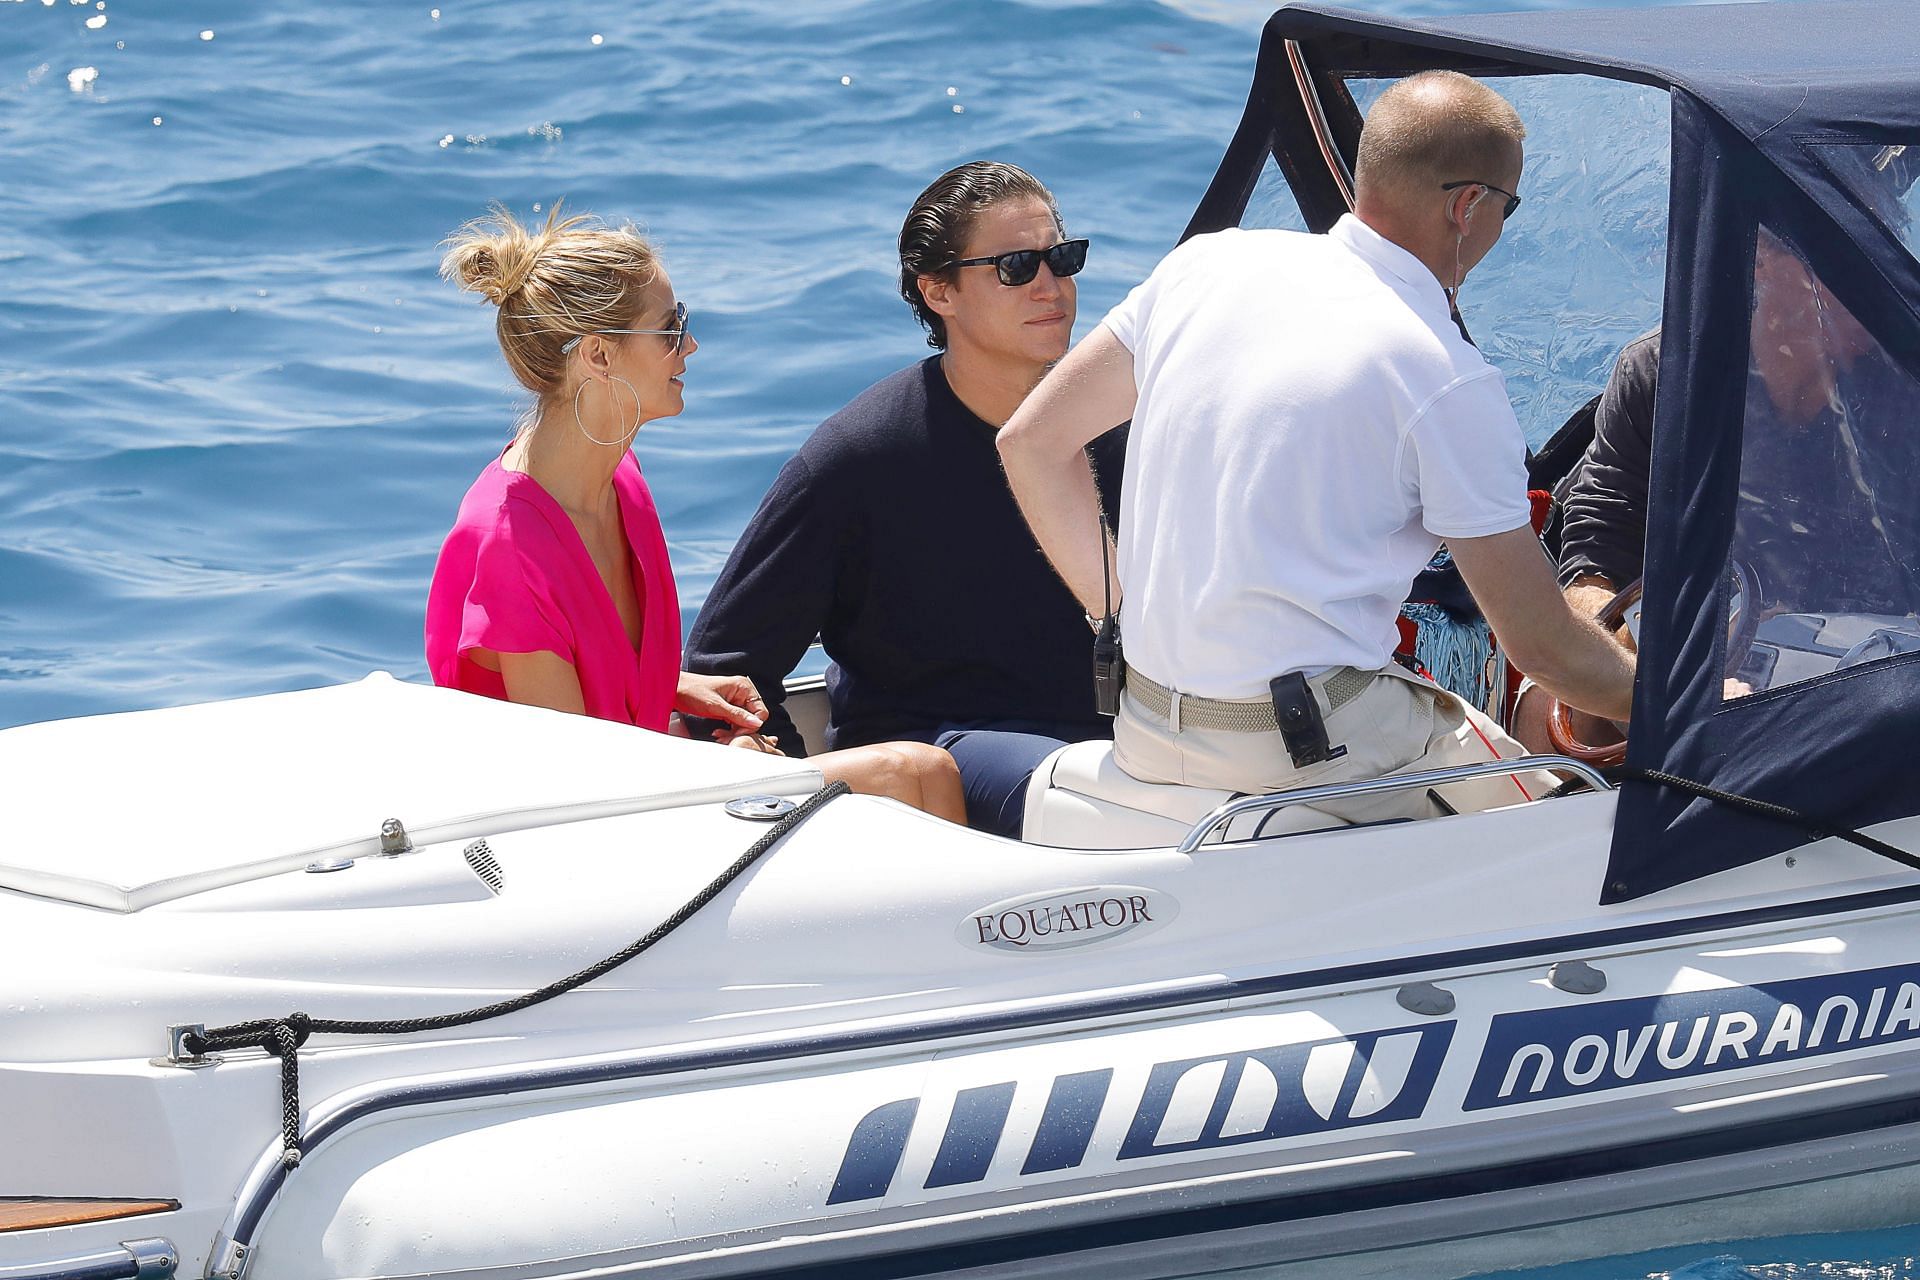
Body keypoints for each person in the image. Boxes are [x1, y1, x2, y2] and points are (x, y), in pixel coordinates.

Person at [997, 71, 1635, 825]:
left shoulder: (1204, 267)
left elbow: (1032, 441)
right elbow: (1544, 648)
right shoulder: (1444, 375)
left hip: (1143, 724)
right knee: (1567, 815)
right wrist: (1695, 702)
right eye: (1507, 207)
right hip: (1304, 746)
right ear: (1468, 207)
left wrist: (1123, 613)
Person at [424, 205, 965, 822]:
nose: (690, 344)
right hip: (579, 839)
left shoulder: (618, 478)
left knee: (918, 775)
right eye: (670, 328)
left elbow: (592, 683)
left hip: (640, 791)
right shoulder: (508, 543)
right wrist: (727, 772)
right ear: (599, 357)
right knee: (915, 770)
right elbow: (571, 786)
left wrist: (675, 688)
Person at [685, 162, 1127, 838]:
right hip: (944, 752)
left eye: (1061, 259)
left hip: (1119, 744)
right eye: (1015, 266)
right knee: (1111, 794)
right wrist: (808, 826)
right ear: (938, 291)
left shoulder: (1121, 430)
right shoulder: (857, 457)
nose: (1051, 286)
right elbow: (726, 670)